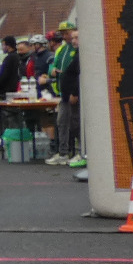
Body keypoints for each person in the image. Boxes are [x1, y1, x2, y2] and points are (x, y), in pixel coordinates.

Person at [48, 23, 84, 166]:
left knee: (76, 123)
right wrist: (52, 70)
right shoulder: (62, 49)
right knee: (61, 122)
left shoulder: (79, 50)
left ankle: (80, 152)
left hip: (74, 93)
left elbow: (77, 73)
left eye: (67, 33)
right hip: (63, 92)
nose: (65, 36)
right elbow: (53, 63)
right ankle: (63, 152)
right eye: (62, 33)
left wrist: (75, 92)